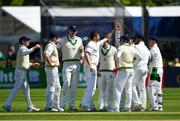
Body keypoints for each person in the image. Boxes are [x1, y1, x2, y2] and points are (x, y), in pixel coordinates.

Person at [2, 36, 40, 112]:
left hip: (22, 72)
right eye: (27, 40)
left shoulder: (24, 49)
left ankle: (30, 107)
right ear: (23, 41)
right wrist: (34, 47)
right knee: (16, 89)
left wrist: (32, 64)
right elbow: (25, 52)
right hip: (20, 72)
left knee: (26, 90)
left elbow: (24, 63)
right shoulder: (22, 48)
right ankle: (7, 104)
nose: (28, 42)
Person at [80, 30, 114, 111]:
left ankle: (90, 105)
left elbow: (107, 37)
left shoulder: (97, 43)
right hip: (90, 66)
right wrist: (90, 64)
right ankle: (84, 104)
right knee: (91, 87)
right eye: (98, 36)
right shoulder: (91, 44)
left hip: (92, 66)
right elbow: (86, 54)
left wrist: (114, 30)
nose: (99, 37)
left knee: (92, 87)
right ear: (94, 37)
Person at [57, 25, 84, 111]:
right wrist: (57, 60)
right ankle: (62, 105)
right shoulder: (63, 39)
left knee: (74, 86)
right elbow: (56, 48)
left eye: (75, 31)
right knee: (66, 83)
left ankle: (71, 105)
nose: (73, 32)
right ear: (69, 31)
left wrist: (82, 57)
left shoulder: (79, 39)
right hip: (67, 64)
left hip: (76, 64)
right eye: (72, 30)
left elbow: (81, 49)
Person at [113, 35, 142, 112]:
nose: (119, 41)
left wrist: (118, 66)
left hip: (123, 70)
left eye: (120, 40)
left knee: (118, 89)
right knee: (128, 90)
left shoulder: (121, 47)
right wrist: (133, 64)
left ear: (124, 40)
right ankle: (128, 107)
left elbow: (118, 56)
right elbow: (140, 57)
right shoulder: (132, 48)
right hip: (130, 69)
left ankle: (116, 108)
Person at [44, 33, 64, 112]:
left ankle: (56, 106)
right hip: (51, 68)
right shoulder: (50, 46)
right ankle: (49, 106)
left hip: (54, 69)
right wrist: (50, 63)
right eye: (57, 38)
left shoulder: (53, 45)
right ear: (54, 38)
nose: (57, 39)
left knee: (58, 87)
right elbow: (46, 54)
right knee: (51, 87)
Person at [132, 35, 151, 111]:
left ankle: (137, 103)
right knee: (142, 88)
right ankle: (143, 106)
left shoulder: (136, 47)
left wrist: (133, 64)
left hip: (138, 68)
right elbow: (150, 58)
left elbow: (134, 57)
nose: (134, 40)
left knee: (131, 86)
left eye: (135, 39)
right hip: (145, 68)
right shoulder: (147, 49)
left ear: (139, 39)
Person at [98, 41, 117, 112]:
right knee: (101, 90)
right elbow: (98, 61)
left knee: (109, 90)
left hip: (110, 71)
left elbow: (117, 59)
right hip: (102, 71)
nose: (103, 43)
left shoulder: (113, 49)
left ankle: (109, 106)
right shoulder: (99, 49)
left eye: (104, 42)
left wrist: (116, 67)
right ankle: (101, 106)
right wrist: (98, 71)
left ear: (107, 41)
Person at [147, 36, 163, 112]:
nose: (148, 42)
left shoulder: (153, 49)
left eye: (150, 41)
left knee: (150, 87)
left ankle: (154, 106)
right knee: (158, 88)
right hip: (158, 69)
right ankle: (159, 106)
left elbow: (149, 59)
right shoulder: (156, 49)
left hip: (155, 70)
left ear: (154, 41)